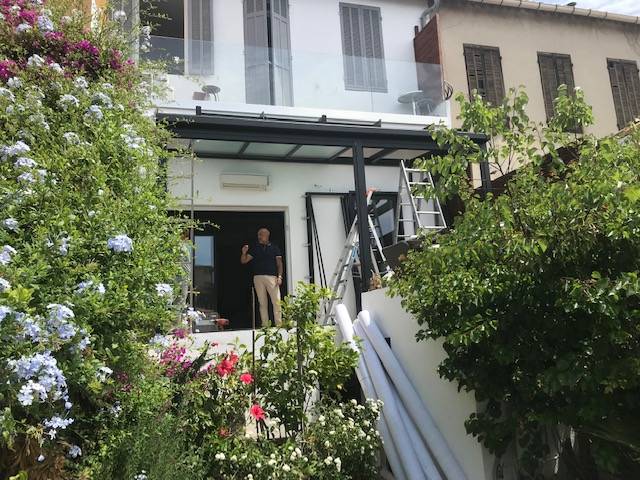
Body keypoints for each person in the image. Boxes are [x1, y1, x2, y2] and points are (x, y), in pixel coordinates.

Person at [240, 227, 283, 327]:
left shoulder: (274, 247)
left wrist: (280, 276)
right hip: (258, 277)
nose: (259, 237)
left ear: (267, 235)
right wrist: (244, 253)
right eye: (258, 235)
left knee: (276, 301)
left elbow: (279, 264)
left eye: (261, 235)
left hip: (272, 277)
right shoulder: (255, 248)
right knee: (262, 303)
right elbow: (244, 261)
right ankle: (265, 325)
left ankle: (279, 324)